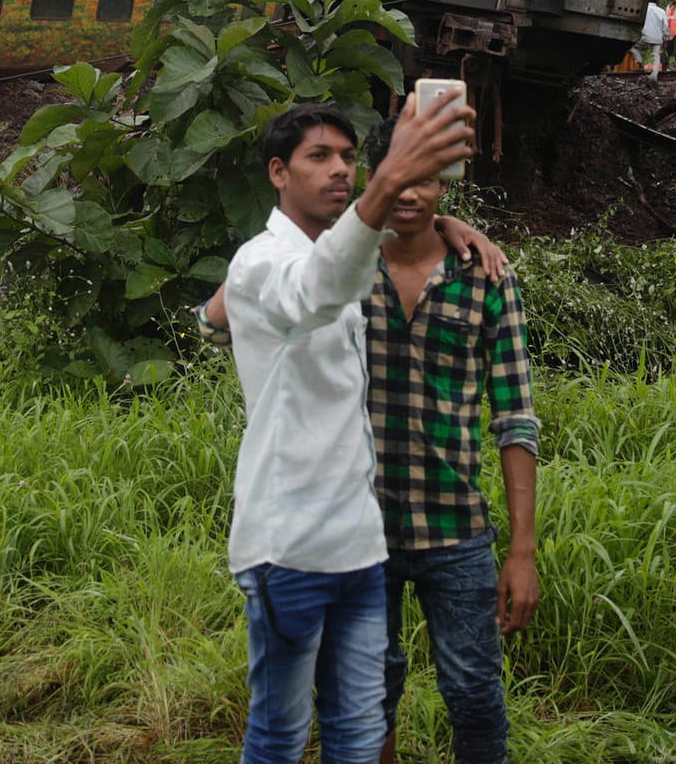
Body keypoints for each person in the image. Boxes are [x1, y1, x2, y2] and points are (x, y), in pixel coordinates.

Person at [201, 115, 538, 764]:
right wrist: (222, 307)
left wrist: (522, 549)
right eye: (320, 157)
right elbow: (275, 296)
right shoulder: (341, 264)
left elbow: (515, 413)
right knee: (335, 716)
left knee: (464, 694)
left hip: (444, 526)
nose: (407, 192)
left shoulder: (479, 273)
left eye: (348, 159)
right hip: (351, 533)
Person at [635, 0, 667, 81]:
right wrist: (666, 37)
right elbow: (665, 27)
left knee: (633, 48)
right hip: (657, 38)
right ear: (658, 0)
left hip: (644, 36)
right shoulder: (661, 11)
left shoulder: (643, 9)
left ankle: (640, 62)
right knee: (656, 56)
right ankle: (654, 77)